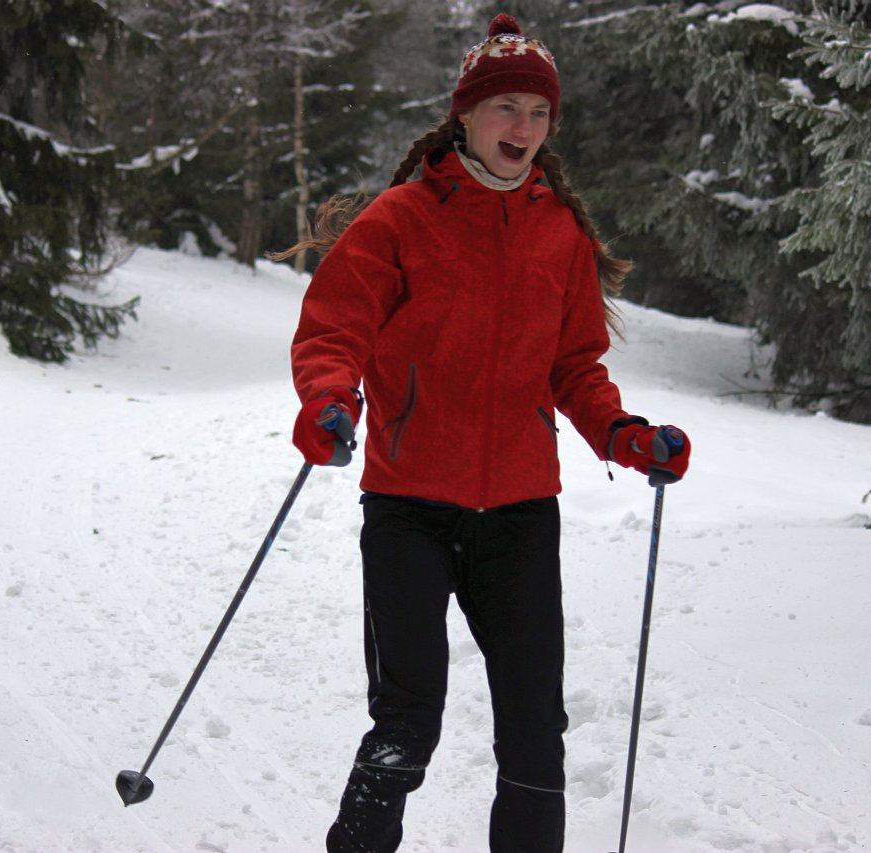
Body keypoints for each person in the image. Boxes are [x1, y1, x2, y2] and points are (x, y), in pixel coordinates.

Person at [275, 13, 691, 852]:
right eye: (506, 107)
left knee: (535, 727)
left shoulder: (559, 231)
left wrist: (622, 434)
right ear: (464, 114)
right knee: (408, 716)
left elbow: (575, 365)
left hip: (520, 516)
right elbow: (334, 329)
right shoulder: (400, 219)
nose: (523, 127)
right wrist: (329, 401)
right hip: (409, 507)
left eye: (538, 113)